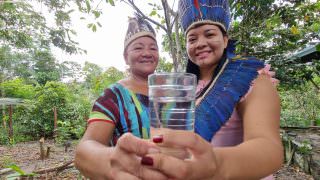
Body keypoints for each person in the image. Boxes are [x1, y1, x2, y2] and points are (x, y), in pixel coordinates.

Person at [136, 0, 284, 179]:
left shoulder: (252, 78)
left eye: (209, 34)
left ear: (225, 39)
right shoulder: (184, 87)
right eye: (192, 39)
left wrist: (215, 164)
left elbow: (269, 149)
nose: (200, 43)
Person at [74, 14, 168, 179]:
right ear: (126, 57)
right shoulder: (113, 95)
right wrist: (114, 164)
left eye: (153, 48)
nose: (147, 53)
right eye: (138, 48)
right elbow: (84, 152)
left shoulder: (169, 91)